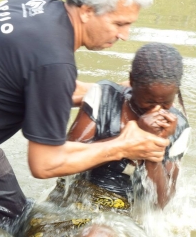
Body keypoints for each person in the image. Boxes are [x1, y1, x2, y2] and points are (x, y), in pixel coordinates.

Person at [0, 0, 170, 236]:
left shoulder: (34, 5)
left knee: (21, 221)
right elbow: (44, 164)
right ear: (86, 11)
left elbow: (37, 78)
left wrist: (115, 93)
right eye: (119, 23)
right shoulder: (54, 61)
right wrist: (123, 146)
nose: (125, 35)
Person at [23, 43, 191, 237]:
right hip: (68, 205)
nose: (157, 110)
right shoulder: (104, 99)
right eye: (149, 101)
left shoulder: (178, 128)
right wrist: (128, 140)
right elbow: (66, 159)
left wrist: (153, 145)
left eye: (166, 103)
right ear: (131, 82)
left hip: (123, 218)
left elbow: (161, 201)